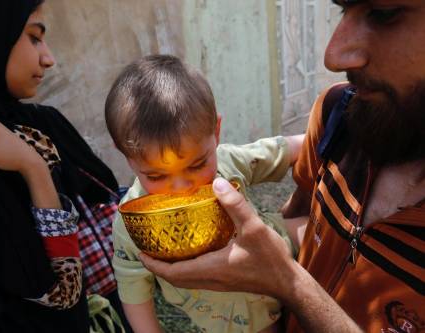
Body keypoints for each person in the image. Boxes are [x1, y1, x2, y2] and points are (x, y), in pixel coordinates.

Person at [138, 1, 425, 333]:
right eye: (343, 10)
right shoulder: (339, 114)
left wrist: (288, 282)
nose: (332, 56)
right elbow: (304, 213)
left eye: (383, 13)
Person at [0, 0, 129, 332]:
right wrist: (33, 168)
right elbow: (59, 300)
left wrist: (31, 163)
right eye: (34, 37)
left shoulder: (39, 125)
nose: (48, 58)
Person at [105, 54, 305, 333]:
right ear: (125, 154)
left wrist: (325, 136)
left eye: (197, 164)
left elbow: (284, 150)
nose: (182, 187)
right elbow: (133, 290)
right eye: (156, 176)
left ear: (216, 131)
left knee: (317, 231)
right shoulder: (130, 226)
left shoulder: (227, 162)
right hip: (232, 323)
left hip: (288, 254)